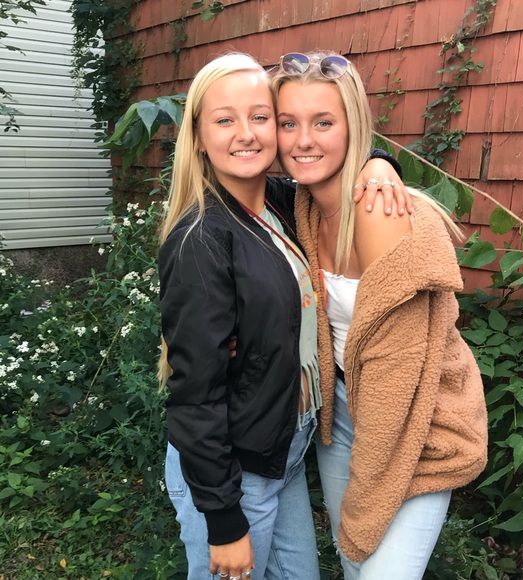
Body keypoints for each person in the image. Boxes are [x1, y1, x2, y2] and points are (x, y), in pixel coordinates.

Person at [157, 52, 410, 580]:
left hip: (283, 453)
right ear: (198, 136)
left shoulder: (282, 202)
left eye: (260, 116)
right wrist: (224, 521)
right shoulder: (202, 238)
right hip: (233, 469)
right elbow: (194, 394)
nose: (246, 134)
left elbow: (334, 160)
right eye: (224, 120)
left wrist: (381, 162)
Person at [271, 51, 488, 579]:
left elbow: (397, 377)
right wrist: (379, 159)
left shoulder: (377, 214)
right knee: (354, 564)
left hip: (416, 422)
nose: (303, 140)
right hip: (346, 411)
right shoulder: (301, 204)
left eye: (324, 122)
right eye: (288, 123)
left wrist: (377, 161)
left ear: (353, 126)